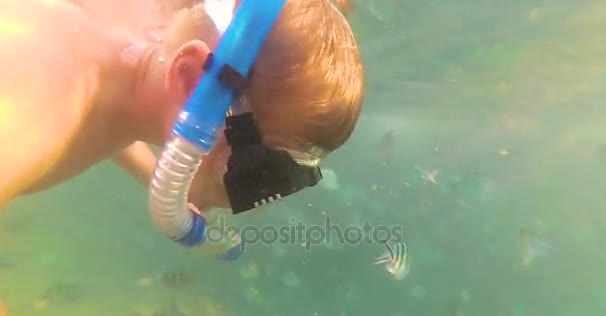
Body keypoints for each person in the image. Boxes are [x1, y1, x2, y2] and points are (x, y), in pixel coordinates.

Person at [0, 0, 363, 245]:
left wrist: (156, 175)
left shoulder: (123, 83)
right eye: (256, 172)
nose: (254, 198)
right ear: (191, 81)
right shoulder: (42, 95)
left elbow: (109, 121)